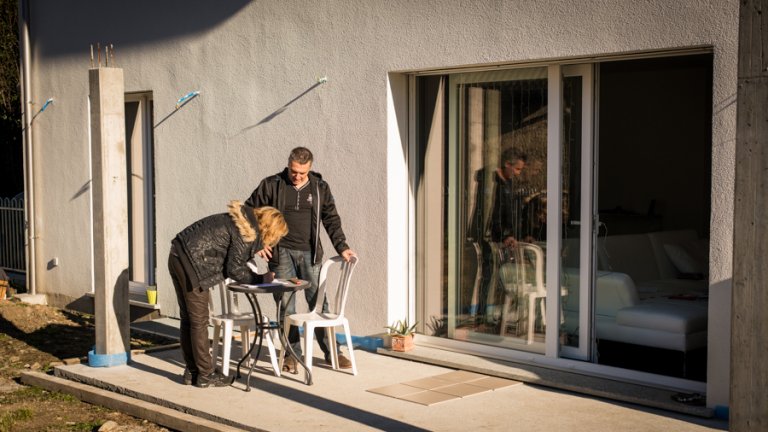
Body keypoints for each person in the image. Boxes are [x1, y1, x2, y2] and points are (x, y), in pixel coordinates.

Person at [246, 146, 356, 373]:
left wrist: (342, 246)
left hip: (310, 253)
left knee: (318, 304)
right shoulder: (272, 184)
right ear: (288, 164)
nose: (297, 176)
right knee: (286, 306)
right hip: (281, 252)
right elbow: (249, 211)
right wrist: (258, 243)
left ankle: (332, 351)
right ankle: (291, 354)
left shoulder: (319, 188)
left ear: (310, 168)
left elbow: (331, 219)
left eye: (302, 173)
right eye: (293, 171)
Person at [168, 201, 288, 387]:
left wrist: (254, 250)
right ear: (270, 230)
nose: (274, 241)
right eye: (275, 236)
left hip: (178, 253)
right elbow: (235, 270)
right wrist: (261, 278)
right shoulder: (245, 233)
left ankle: (193, 372)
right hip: (192, 264)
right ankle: (206, 375)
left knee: (189, 319)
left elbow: (233, 253)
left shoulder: (244, 221)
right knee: (199, 321)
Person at [467, 148, 527, 326]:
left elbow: (508, 213)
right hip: (486, 237)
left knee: (497, 275)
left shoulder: (506, 183)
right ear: (507, 165)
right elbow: (491, 213)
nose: (518, 173)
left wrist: (514, 234)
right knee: (486, 274)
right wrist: (504, 236)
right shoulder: (491, 182)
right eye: (517, 169)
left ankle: (491, 312)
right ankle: (482, 314)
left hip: (498, 237)